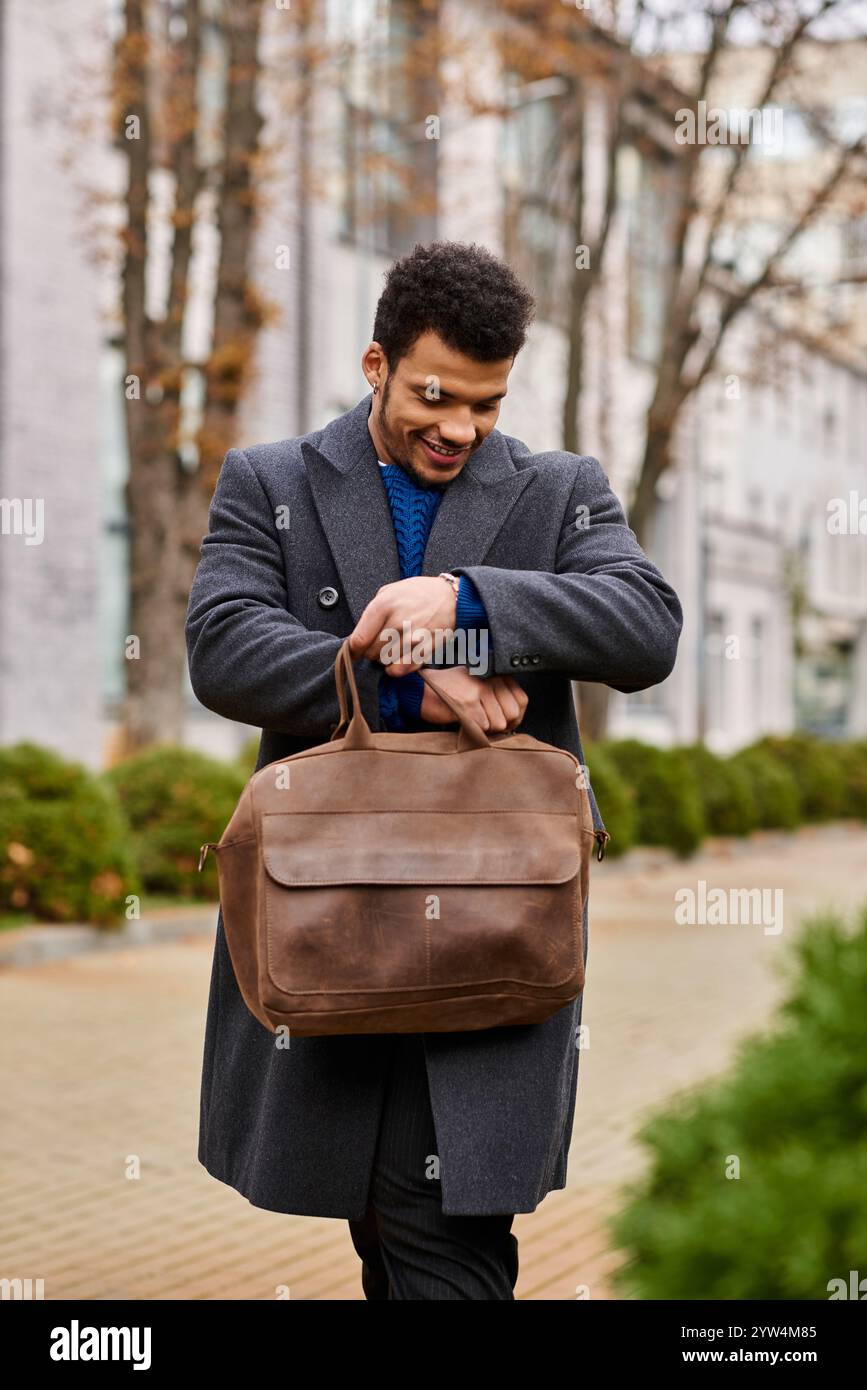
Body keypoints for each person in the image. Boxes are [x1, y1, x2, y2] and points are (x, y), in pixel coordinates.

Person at [185, 240, 683, 1300]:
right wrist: (407, 667)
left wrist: (465, 607)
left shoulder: (560, 492)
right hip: (329, 924)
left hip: (496, 932)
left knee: (441, 1232)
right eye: (435, 396)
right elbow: (223, 648)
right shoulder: (270, 480)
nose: (459, 429)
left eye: (487, 405)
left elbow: (647, 628)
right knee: (390, 1227)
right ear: (376, 365)